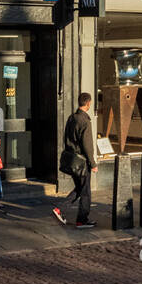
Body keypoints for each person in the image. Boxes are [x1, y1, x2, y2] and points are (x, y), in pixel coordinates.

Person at [53, 92, 98, 229]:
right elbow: (87, 145)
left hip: (72, 160)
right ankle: (82, 220)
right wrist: (93, 163)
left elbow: (65, 138)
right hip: (82, 162)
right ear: (88, 103)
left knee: (79, 188)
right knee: (86, 192)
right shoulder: (84, 121)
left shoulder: (71, 118)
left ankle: (59, 209)